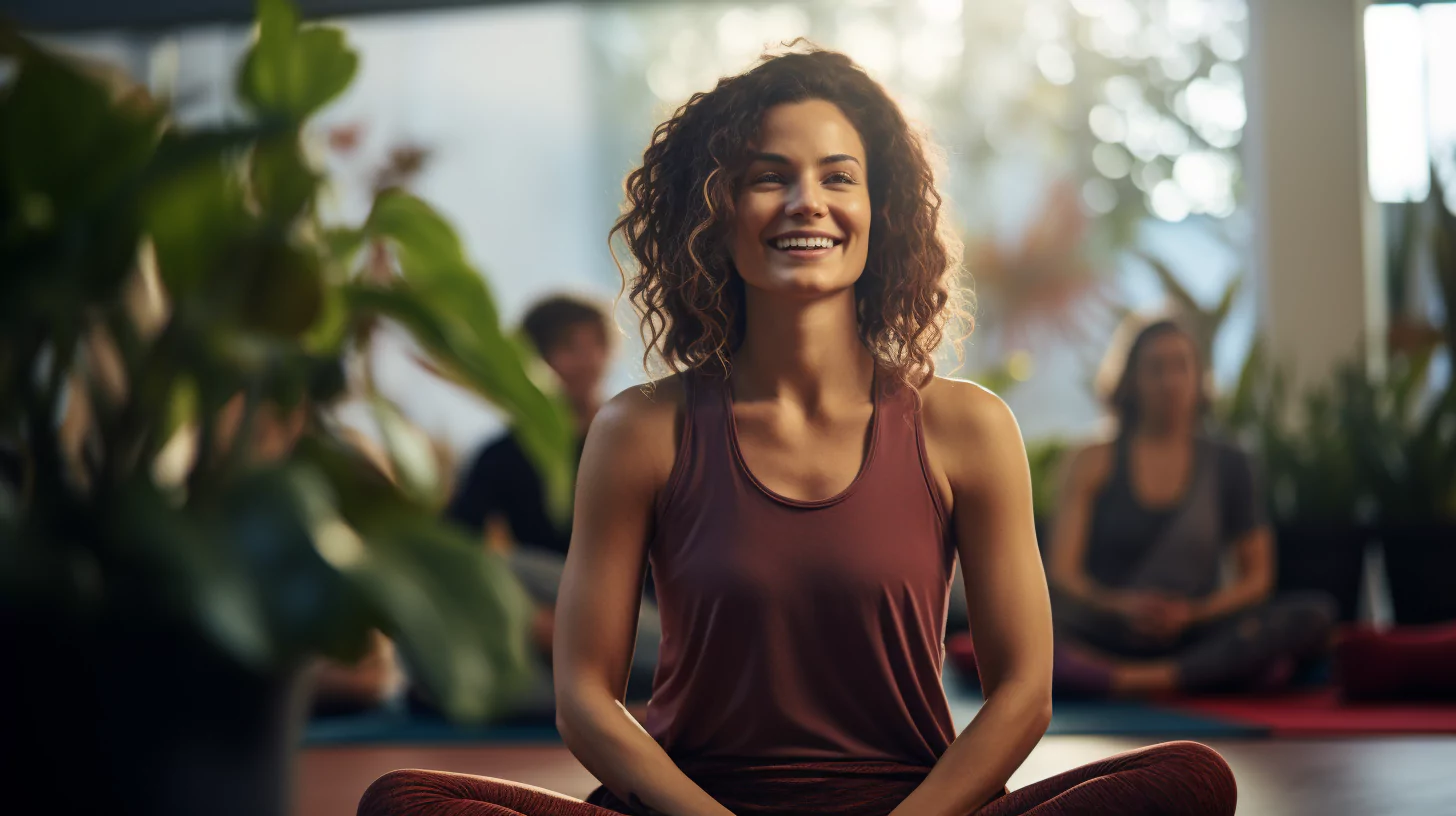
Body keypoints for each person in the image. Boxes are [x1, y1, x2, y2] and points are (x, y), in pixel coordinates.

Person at [359, 49, 1236, 816]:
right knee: (406, 803)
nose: (805, 202)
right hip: (689, 807)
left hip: (915, 805)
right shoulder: (641, 431)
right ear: (717, 210)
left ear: (878, 209)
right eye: (768, 175)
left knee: (1190, 780)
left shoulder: (968, 427)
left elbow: (1022, 695)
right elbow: (586, 697)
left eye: (838, 176)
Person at [1043, 319, 1336, 698]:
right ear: (1131, 380)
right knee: (1017, 631)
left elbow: (1257, 578)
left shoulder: (1231, 464)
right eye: (1155, 368)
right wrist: (1121, 607)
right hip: (1105, 632)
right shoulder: (1092, 460)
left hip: (1195, 635)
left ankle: (1138, 680)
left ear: (1199, 377)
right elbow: (1063, 574)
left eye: (1180, 366)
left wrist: (1193, 614)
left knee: (1314, 615)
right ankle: (1200, 677)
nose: (1169, 381)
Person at [443, 295, 660, 705]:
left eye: (596, 344)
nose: (587, 360)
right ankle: (630, 707)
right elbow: (457, 548)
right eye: (568, 347)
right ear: (534, 359)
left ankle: (666, 682)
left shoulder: (639, 438)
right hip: (554, 613)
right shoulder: (502, 456)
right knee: (488, 571)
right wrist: (527, 617)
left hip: (639, 616)